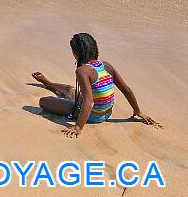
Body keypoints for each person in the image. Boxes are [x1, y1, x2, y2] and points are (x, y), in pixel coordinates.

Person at [31, 33, 162, 138]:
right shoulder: (106, 65)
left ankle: (57, 93)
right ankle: (48, 83)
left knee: (44, 102)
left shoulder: (82, 71)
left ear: (76, 53)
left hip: (93, 115)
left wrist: (78, 127)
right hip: (107, 112)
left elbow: (89, 101)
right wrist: (137, 111)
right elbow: (126, 90)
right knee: (69, 89)